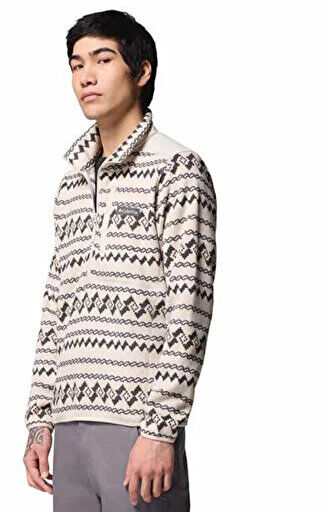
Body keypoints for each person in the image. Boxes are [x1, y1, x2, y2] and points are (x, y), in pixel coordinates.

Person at [22, 9, 217, 511]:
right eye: (76, 64)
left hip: (137, 428)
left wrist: (160, 429)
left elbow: (189, 310)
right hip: (70, 422)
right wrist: (39, 420)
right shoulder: (71, 184)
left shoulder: (178, 170)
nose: (85, 75)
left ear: (141, 71)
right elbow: (56, 308)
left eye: (103, 59)